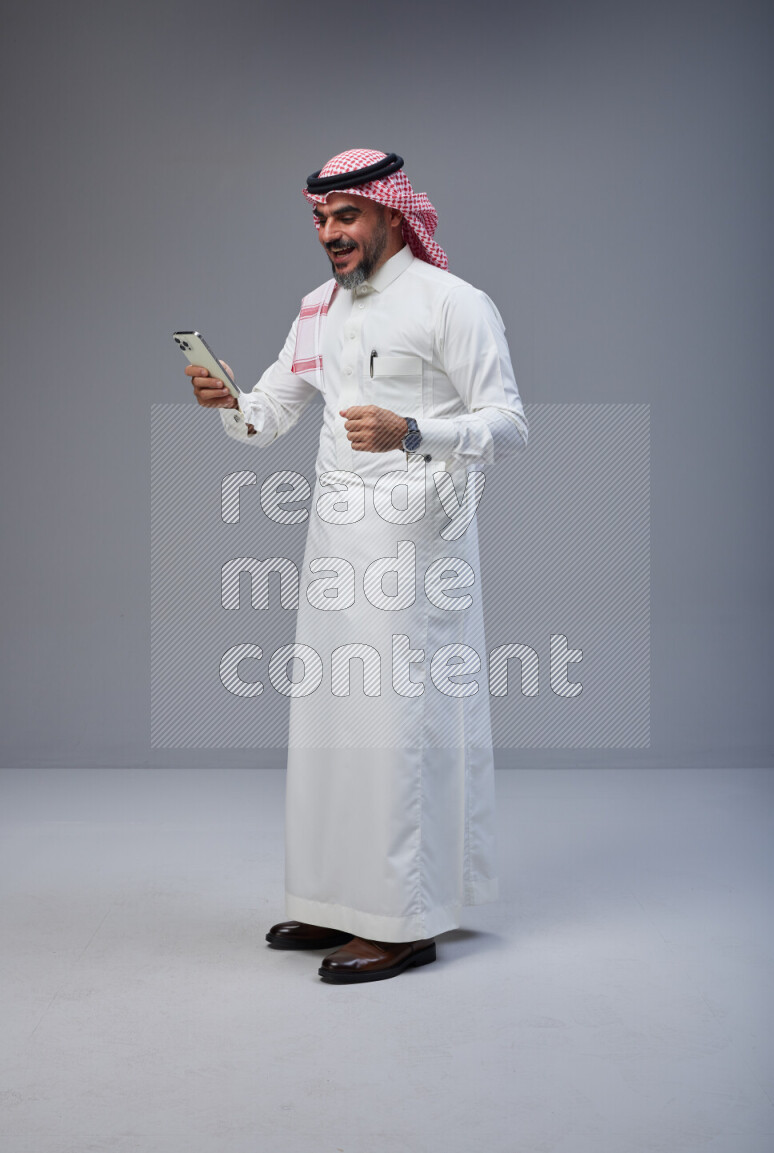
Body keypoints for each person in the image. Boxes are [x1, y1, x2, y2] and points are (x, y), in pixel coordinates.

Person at [187, 149, 527, 983]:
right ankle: (341, 899)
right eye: (319, 218)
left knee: (397, 723)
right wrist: (229, 401)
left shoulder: (453, 303)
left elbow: (510, 423)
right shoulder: (316, 311)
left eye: (345, 215)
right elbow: (271, 415)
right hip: (335, 539)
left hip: (419, 540)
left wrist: (414, 431)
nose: (329, 233)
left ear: (390, 213)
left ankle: (404, 920)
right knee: (332, 720)